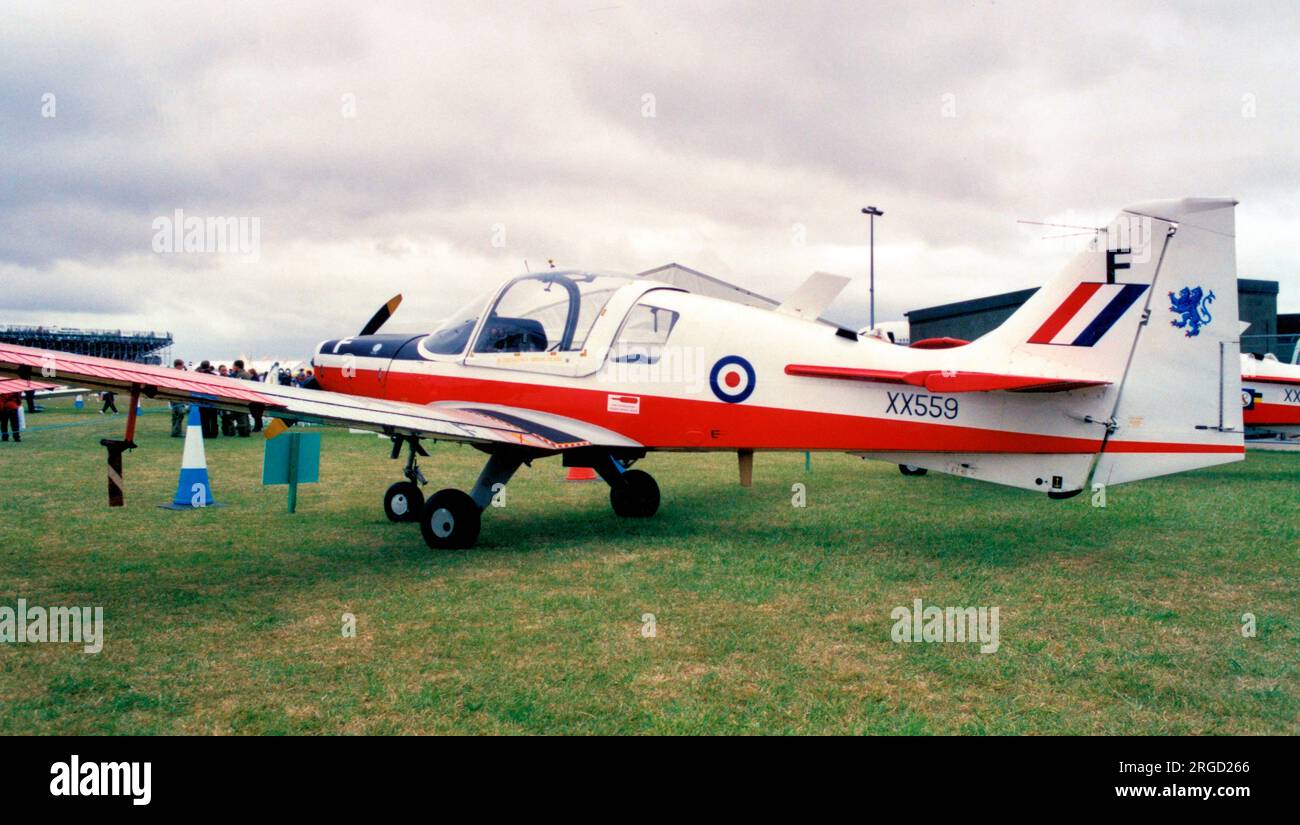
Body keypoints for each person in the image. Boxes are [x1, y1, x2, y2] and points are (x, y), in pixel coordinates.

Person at [195, 360, 220, 438]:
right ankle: (214, 433)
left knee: (204, 418)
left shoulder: (198, 376)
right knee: (213, 418)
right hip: (213, 398)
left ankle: (205, 433)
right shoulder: (214, 376)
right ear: (209, 366)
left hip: (202, 398)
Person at [169, 358, 189, 437]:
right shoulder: (177, 374)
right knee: (181, 413)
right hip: (177, 396)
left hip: (174, 395)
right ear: (180, 365)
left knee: (176, 414)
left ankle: (175, 431)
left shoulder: (172, 373)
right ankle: (176, 431)